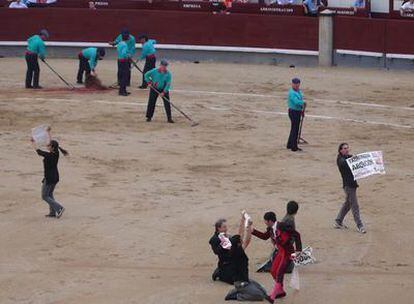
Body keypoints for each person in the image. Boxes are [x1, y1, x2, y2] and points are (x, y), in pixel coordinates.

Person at [31, 138, 68, 218]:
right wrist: (48, 132)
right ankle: (52, 212)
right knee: (50, 194)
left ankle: (59, 208)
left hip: (49, 178)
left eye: (48, 145)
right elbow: (51, 142)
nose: (47, 146)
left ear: (52, 147)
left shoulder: (49, 155)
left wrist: (33, 143)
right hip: (55, 177)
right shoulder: (56, 153)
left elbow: (39, 151)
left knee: (44, 196)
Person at [334, 143, 366, 234]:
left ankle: (338, 221)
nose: (347, 150)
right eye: (344, 148)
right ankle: (360, 225)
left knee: (348, 204)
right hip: (349, 186)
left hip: (351, 184)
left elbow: (352, 159)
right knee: (354, 205)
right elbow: (347, 163)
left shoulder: (347, 158)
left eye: (347, 148)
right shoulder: (341, 160)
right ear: (340, 150)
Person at [268, 221, 302, 303]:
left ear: (269, 221)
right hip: (280, 253)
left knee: (279, 272)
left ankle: (272, 296)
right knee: (273, 271)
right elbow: (264, 236)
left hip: (288, 253)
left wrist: (298, 250)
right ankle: (280, 290)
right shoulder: (271, 229)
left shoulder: (282, 226)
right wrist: (252, 231)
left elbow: (297, 234)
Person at [209, 218, 234, 284]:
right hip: (224, 263)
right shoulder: (214, 239)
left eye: (226, 227)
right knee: (232, 281)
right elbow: (216, 252)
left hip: (233, 261)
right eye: (224, 227)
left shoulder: (228, 236)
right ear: (218, 228)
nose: (226, 229)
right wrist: (223, 242)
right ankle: (219, 272)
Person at [286, 78, 305, 152]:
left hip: (297, 111)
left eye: (297, 84)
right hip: (294, 112)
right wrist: (303, 103)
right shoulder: (292, 92)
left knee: (294, 128)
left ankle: (290, 144)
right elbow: (296, 102)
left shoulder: (298, 91)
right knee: (295, 129)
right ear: (292, 84)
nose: (296, 85)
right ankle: (294, 147)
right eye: (295, 84)